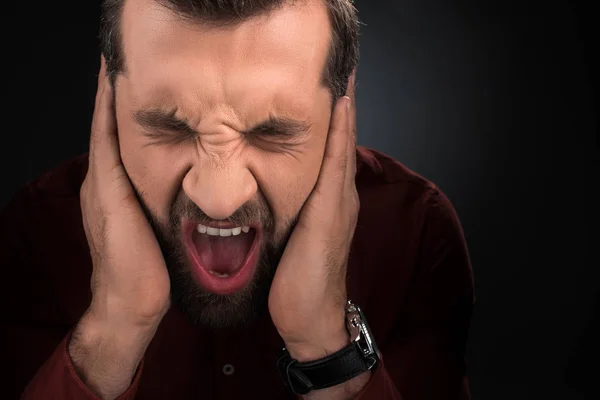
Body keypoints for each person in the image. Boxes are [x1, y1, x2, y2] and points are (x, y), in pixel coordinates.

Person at [1, 0, 474, 399]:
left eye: (273, 133)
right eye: (170, 127)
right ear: (108, 97)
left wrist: (325, 343)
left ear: (340, 103)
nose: (220, 200)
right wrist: (113, 327)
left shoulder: (415, 230)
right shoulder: (34, 233)